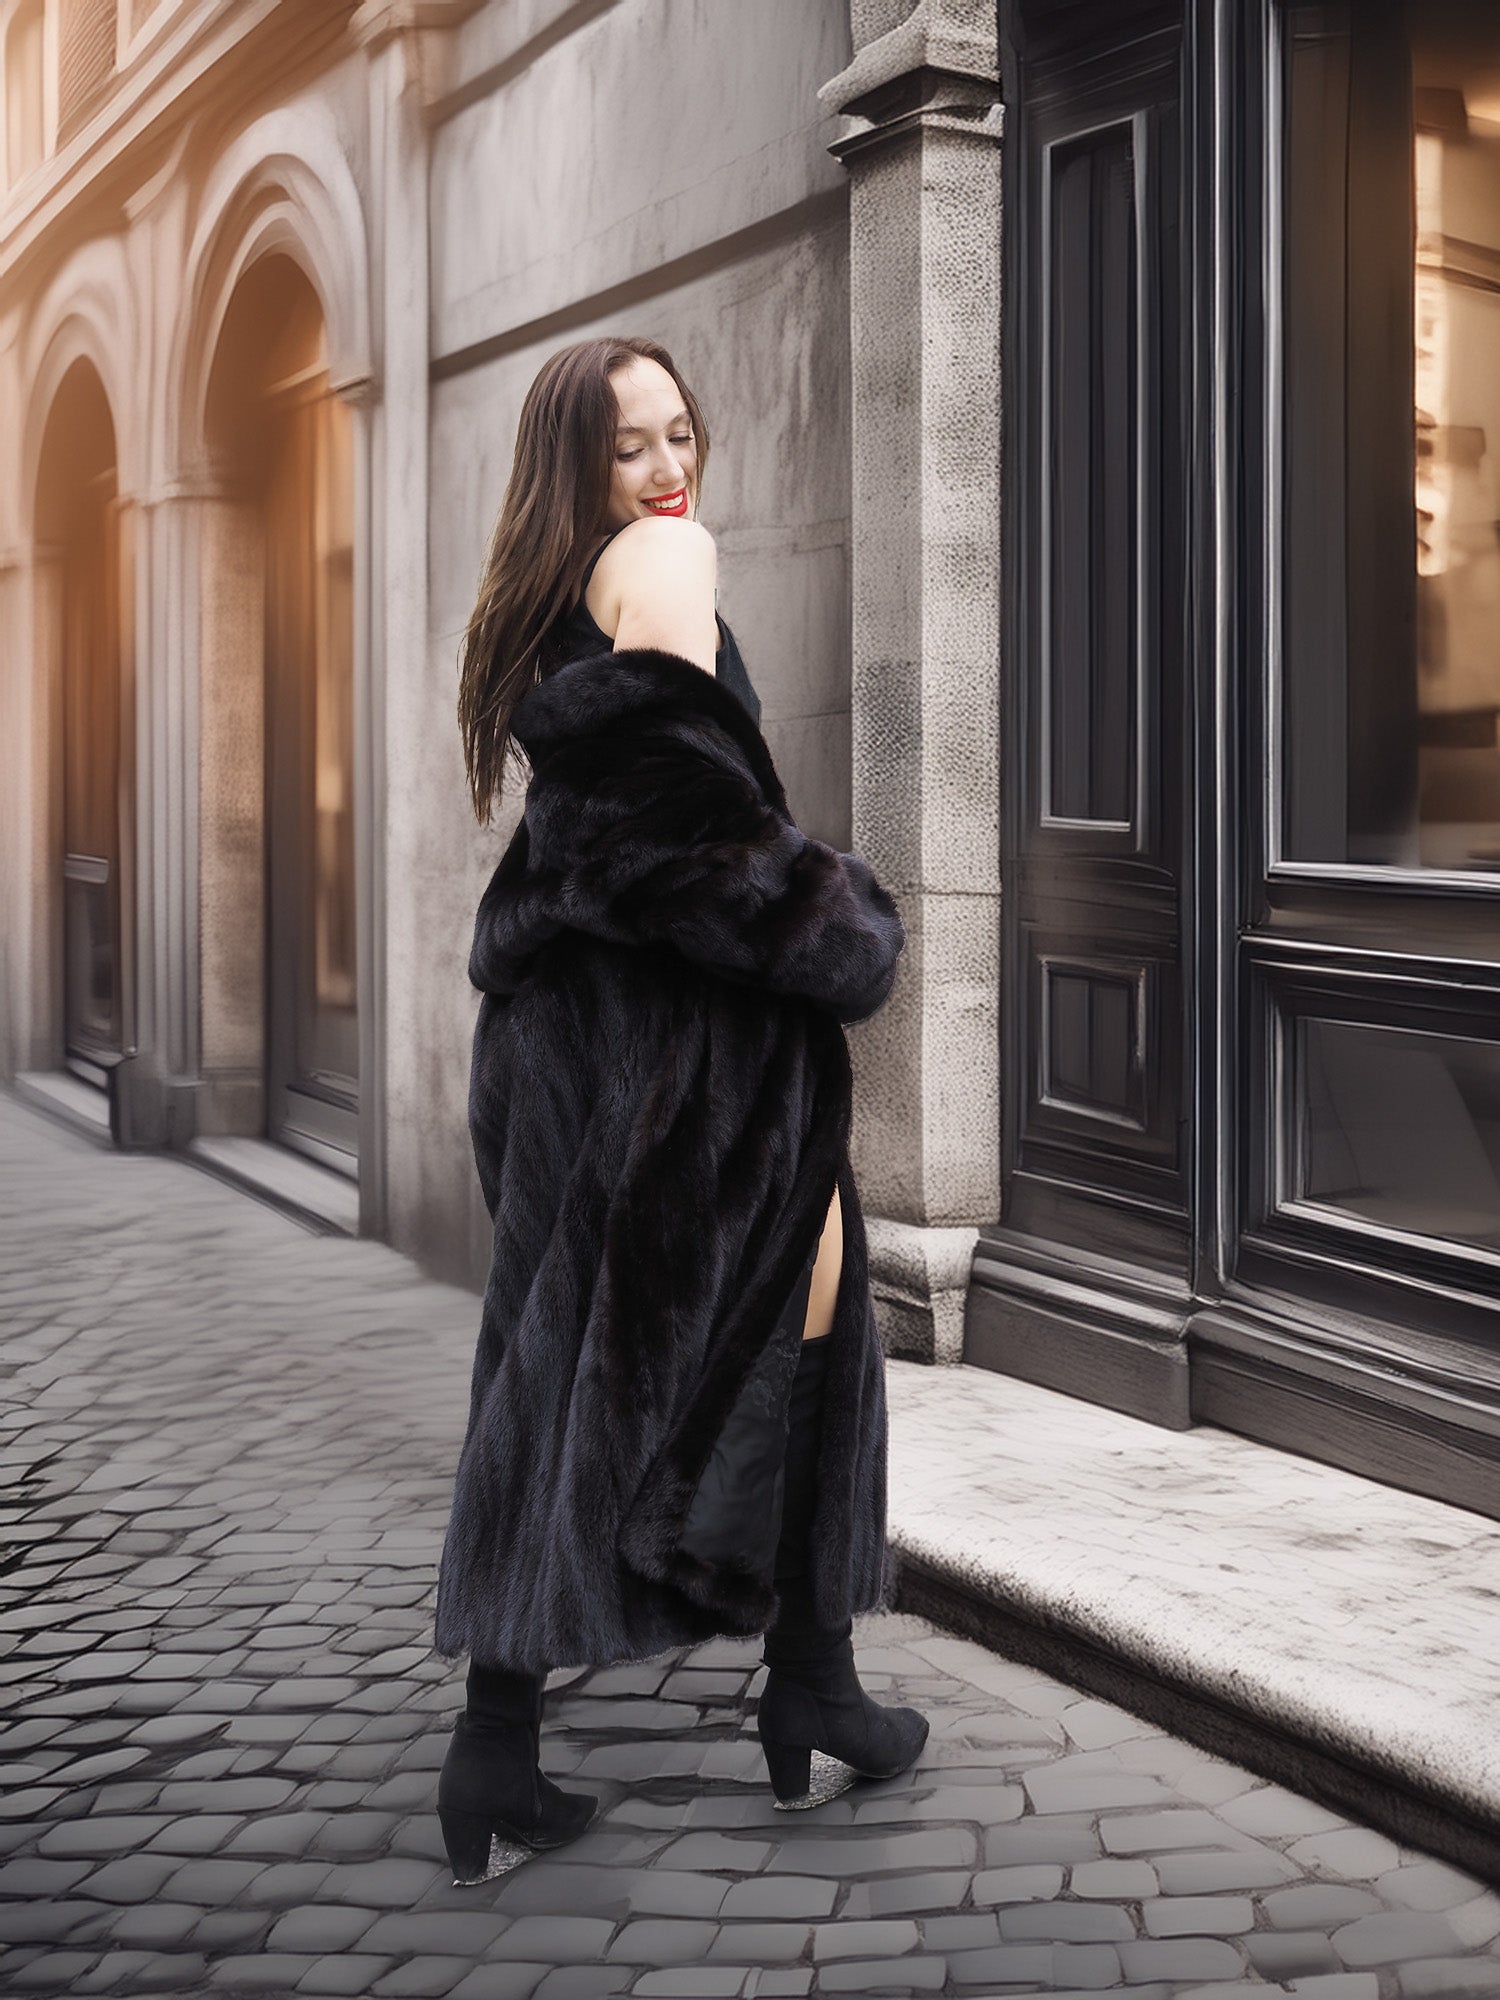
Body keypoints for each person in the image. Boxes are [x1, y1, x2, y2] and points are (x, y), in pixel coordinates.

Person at [435, 335, 928, 1886]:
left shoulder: (558, 592)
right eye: (629, 446)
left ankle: (509, 1746)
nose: (668, 470)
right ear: (579, 472)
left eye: (680, 433)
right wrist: (835, 921)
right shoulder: (661, 561)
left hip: (574, 1041)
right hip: (671, 1053)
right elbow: (662, 821)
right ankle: (808, 1686)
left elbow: (602, 818)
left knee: (568, 1359)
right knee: (781, 1331)